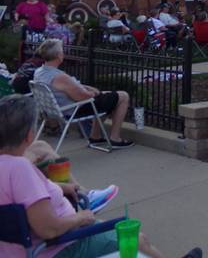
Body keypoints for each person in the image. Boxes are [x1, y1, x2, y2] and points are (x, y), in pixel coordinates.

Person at [0, 95, 165, 258]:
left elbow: (21, 196)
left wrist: (62, 188)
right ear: (29, 135)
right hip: (59, 246)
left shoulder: (11, 165)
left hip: (30, 246)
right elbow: (48, 229)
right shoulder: (19, 168)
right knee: (139, 240)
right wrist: (80, 218)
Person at [32, 40, 134, 149]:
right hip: (73, 109)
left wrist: (92, 90)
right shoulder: (59, 77)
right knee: (123, 96)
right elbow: (83, 97)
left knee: (107, 96)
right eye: (62, 51)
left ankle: (95, 137)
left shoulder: (40, 72)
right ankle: (115, 139)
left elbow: (72, 87)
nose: (64, 53)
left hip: (55, 110)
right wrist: (94, 92)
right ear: (58, 55)